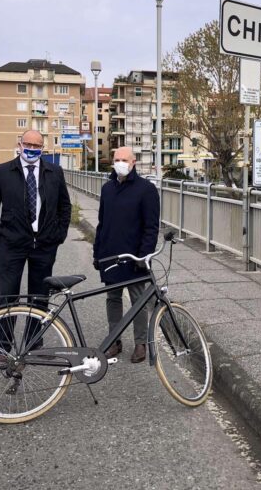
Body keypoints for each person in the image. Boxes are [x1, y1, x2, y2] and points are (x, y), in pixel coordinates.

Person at [0, 130, 72, 360]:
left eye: (37, 144)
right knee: (7, 296)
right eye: (28, 143)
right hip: (11, 245)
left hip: (44, 244)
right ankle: (3, 346)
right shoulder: (3, 172)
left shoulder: (54, 172)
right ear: (19, 144)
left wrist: (59, 235)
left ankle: (34, 343)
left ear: (43, 147)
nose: (32, 147)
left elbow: (65, 206)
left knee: (39, 296)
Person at [93, 146, 160, 363]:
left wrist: (144, 255)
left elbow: (151, 227)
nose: (120, 163)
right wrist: (97, 252)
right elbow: (102, 223)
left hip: (134, 256)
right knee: (112, 298)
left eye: (124, 159)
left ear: (133, 163)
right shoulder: (107, 189)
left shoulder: (146, 189)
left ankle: (140, 343)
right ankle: (115, 340)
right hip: (110, 254)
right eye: (117, 159)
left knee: (138, 300)